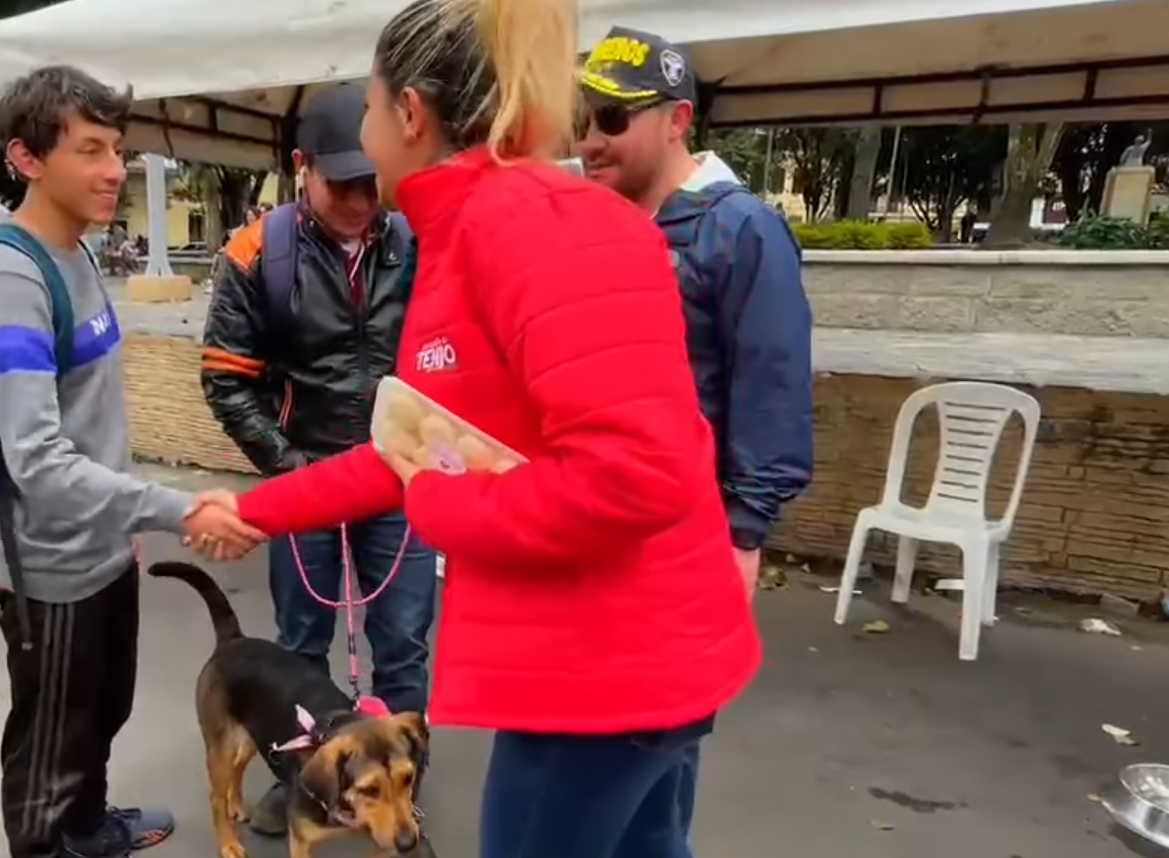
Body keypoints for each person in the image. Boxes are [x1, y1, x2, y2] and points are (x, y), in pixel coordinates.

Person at [187, 0, 760, 855]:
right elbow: (412, 449)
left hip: (609, 673)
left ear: (409, 114)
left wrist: (443, 509)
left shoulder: (536, 227)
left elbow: (633, 474)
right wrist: (255, 511)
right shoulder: (461, 235)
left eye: (372, 106)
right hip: (608, 665)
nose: (368, 129)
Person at [0, 65, 260, 858]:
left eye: (116, 149)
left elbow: (90, 423)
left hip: (103, 549)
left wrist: (128, 525)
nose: (112, 169)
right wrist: (180, 507)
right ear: (26, 159)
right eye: (89, 149)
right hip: (48, 568)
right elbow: (40, 463)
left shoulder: (79, 256)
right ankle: (49, 844)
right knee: (48, 744)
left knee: (101, 712)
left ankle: (88, 828)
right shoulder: (8, 280)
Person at [199, 80, 437, 837]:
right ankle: (298, 783)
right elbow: (226, 379)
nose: (363, 200)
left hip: (401, 482)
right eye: (343, 185)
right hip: (307, 480)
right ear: (302, 167)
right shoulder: (255, 253)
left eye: (373, 181)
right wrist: (293, 467)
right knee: (298, 650)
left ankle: (398, 791)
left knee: (402, 644)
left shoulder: (419, 240)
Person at [578, 27, 814, 599]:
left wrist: (743, 536)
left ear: (677, 120)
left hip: (690, 537)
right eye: (583, 121)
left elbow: (771, 389)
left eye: (611, 119)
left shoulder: (740, 230)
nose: (588, 142)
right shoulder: (601, 224)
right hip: (595, 526)